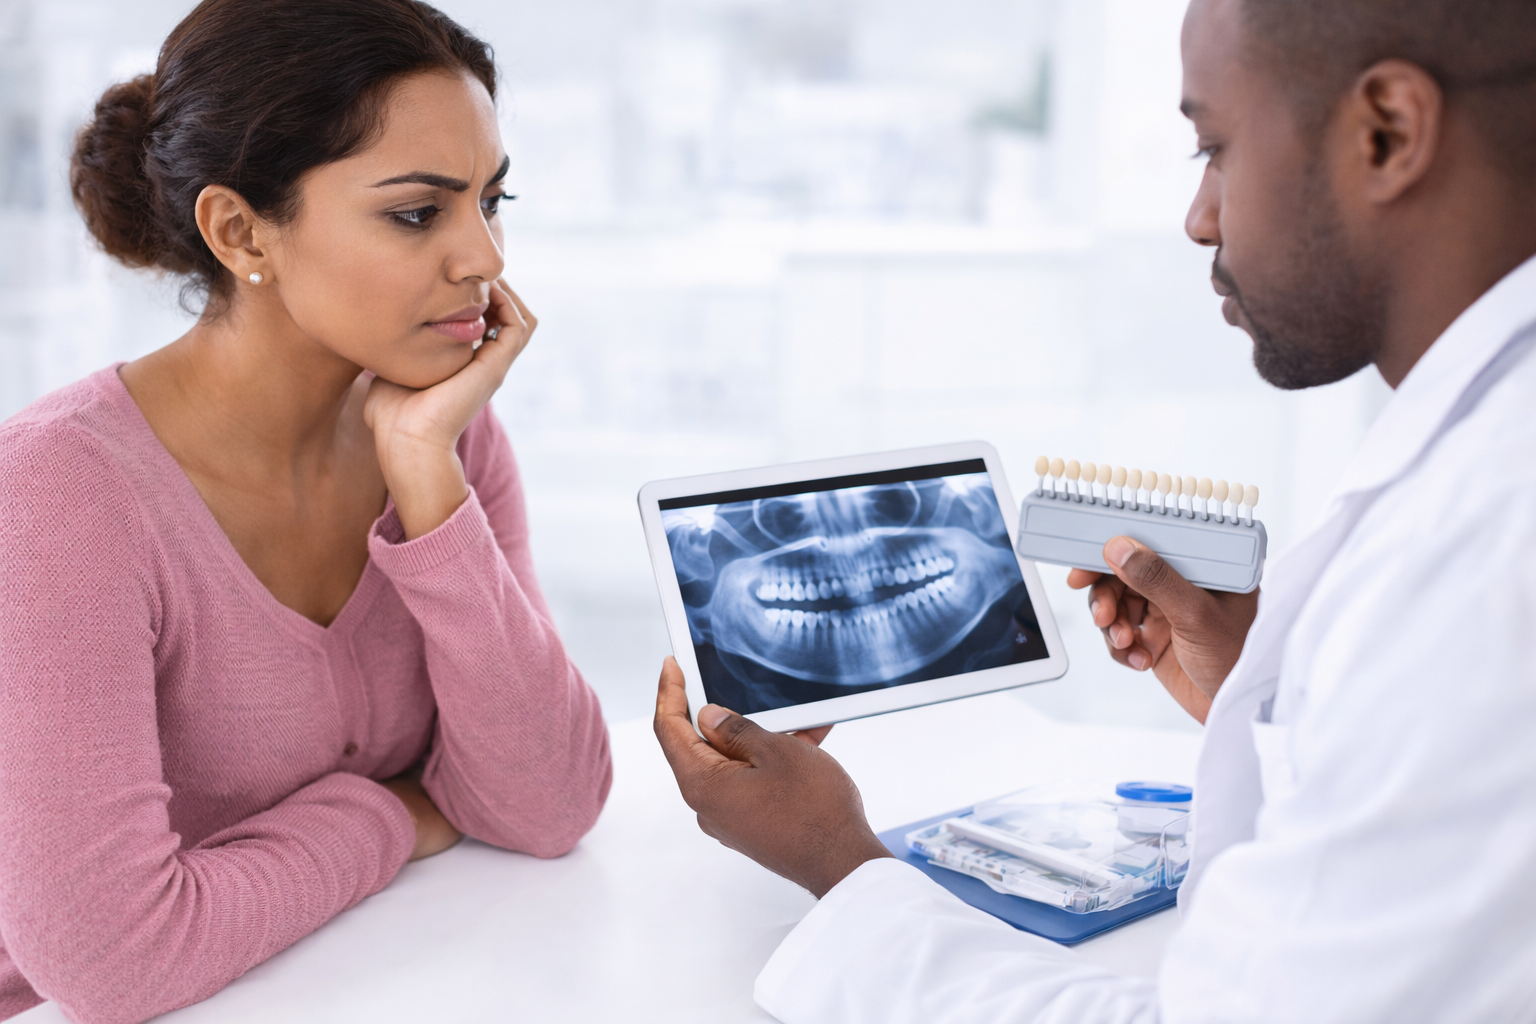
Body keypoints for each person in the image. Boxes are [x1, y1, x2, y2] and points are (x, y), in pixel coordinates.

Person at [654, 0, 1536, 1019]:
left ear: (1386, 129)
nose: (1199, 215)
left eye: (1217, 147)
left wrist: (841, 863)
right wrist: (1267, 706)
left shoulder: (1481, 551)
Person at [0, 2, 612, 1021]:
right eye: (419, 213)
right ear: (242, 231)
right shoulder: (59, 495)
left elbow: (547, 804)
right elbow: (113, 965)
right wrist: (387, 813)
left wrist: (425, 479)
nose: (486, 259)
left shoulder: (443, 434)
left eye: (491, 201)